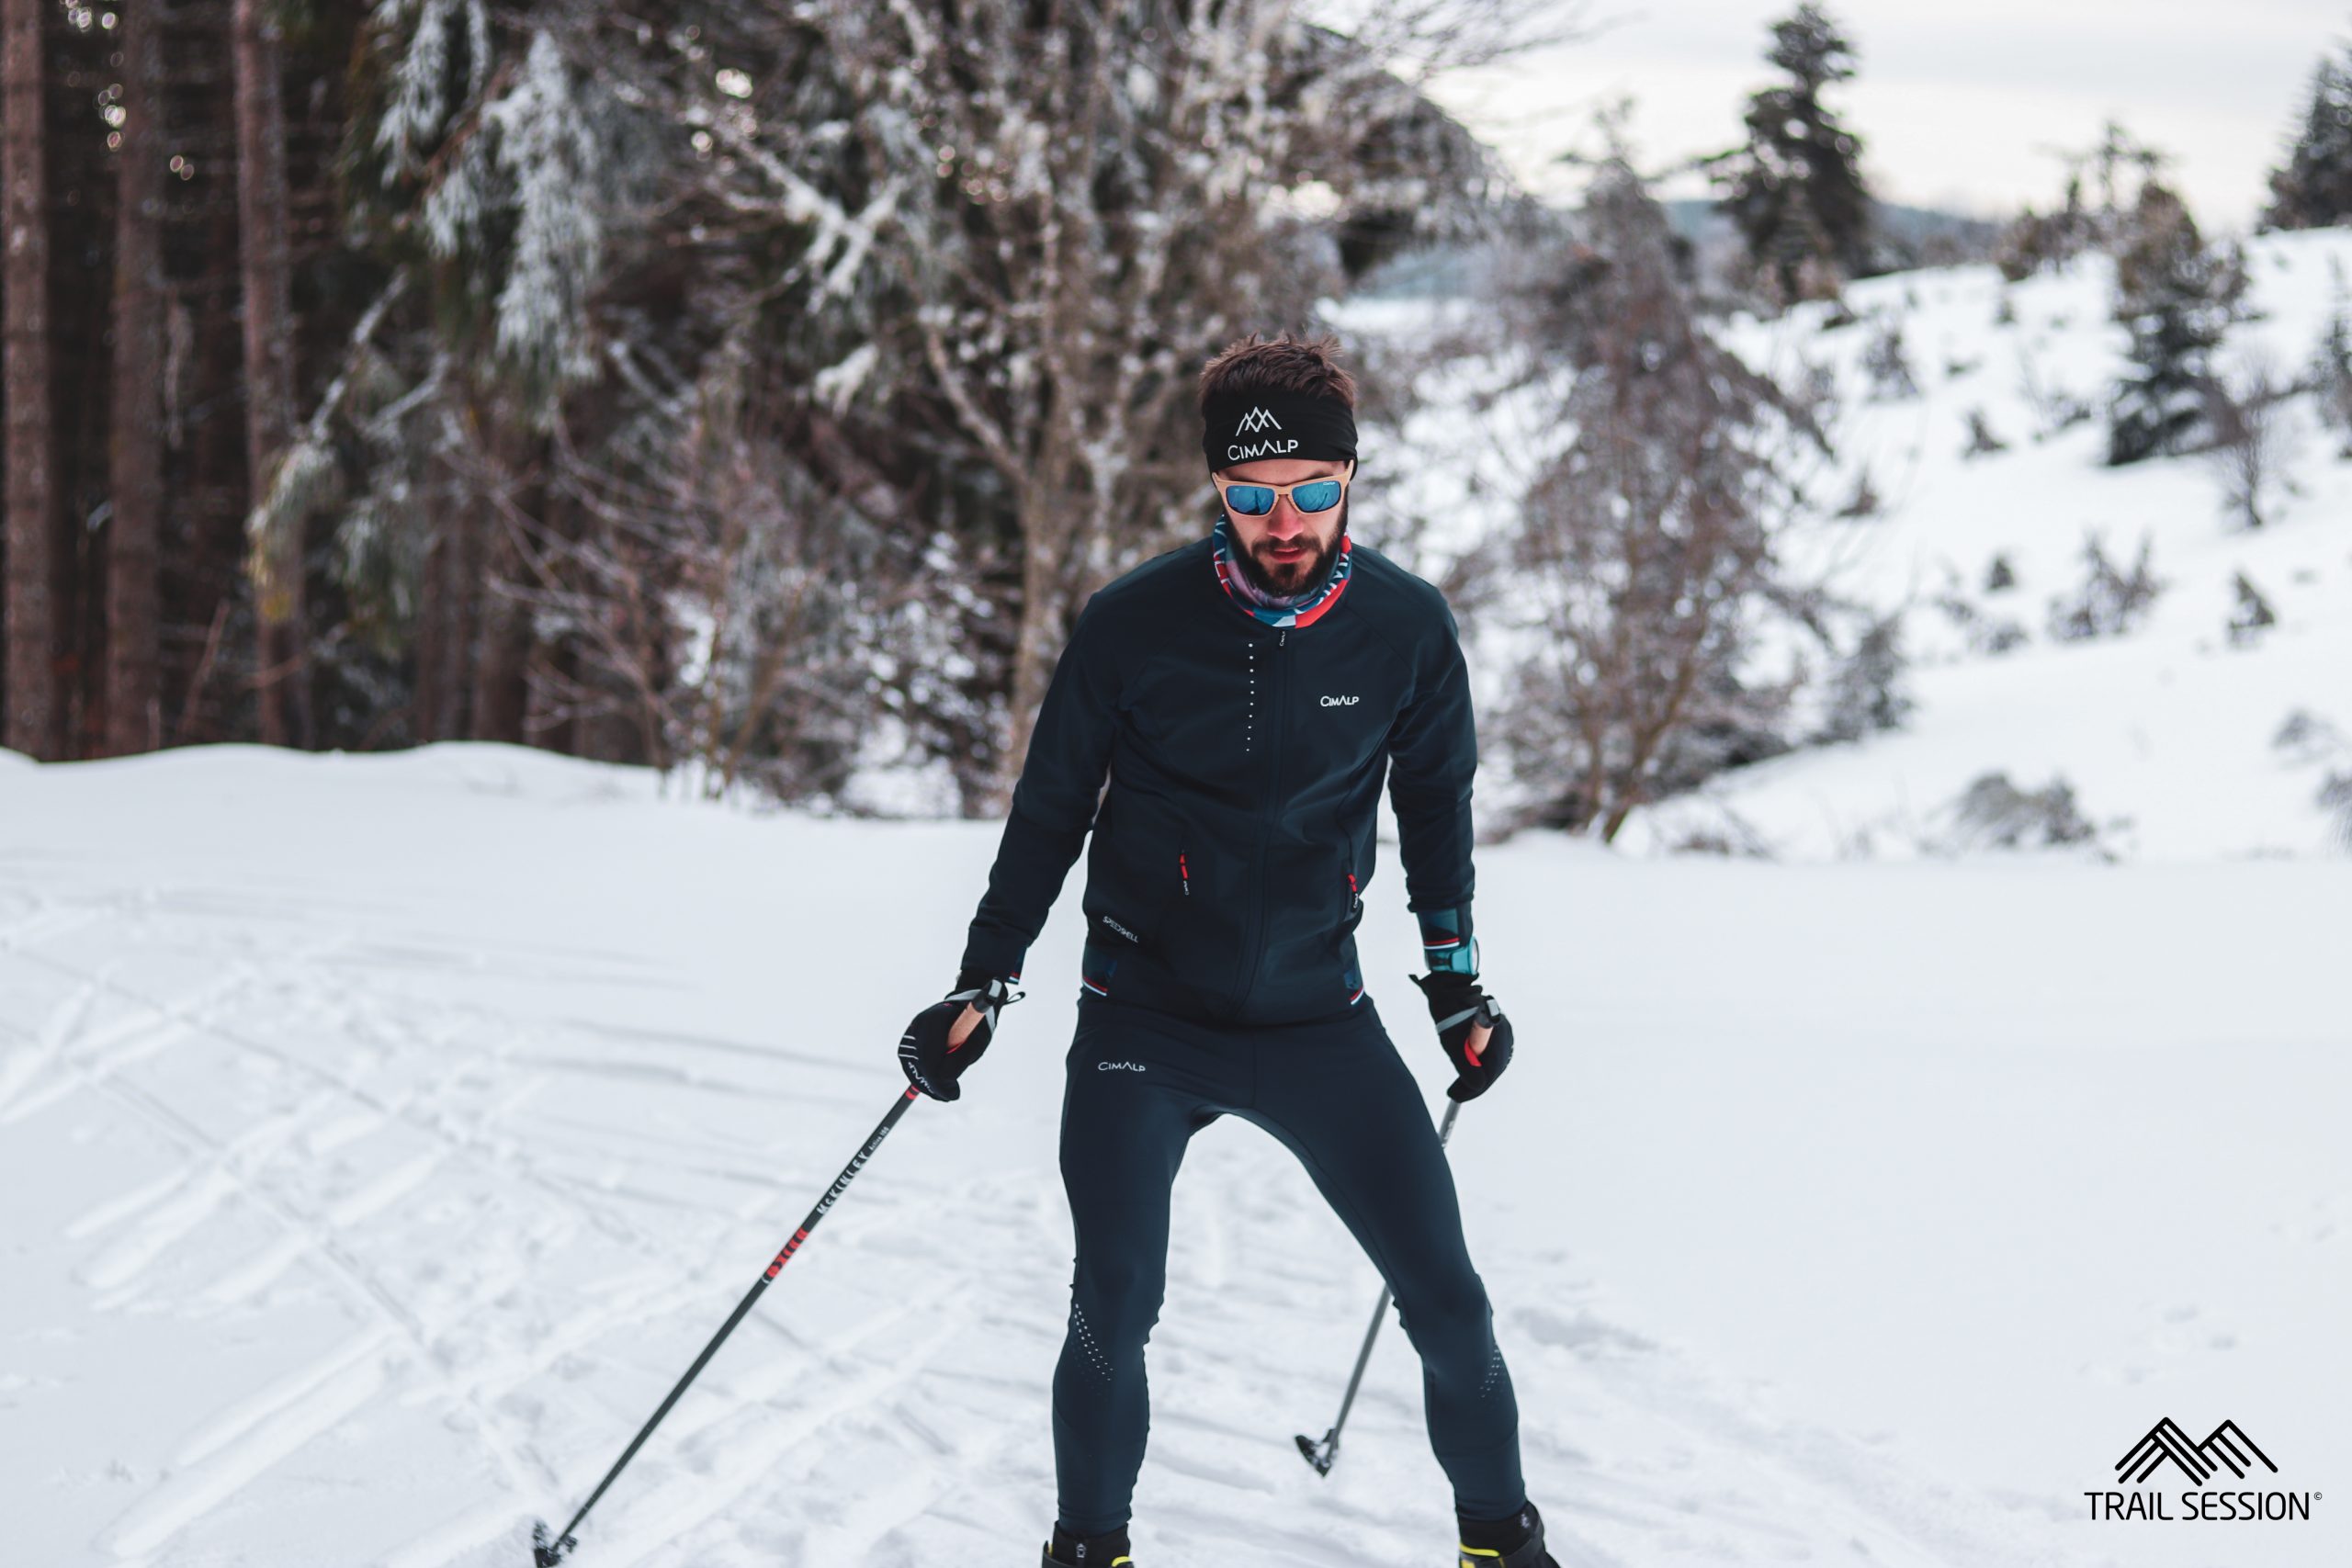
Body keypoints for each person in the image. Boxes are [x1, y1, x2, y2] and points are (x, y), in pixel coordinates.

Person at [897, 331, 1562, 1568]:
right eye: (1255, 498)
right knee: (1112, 1309)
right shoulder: (1132, 626)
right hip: (1144, 1020)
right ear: (1219, 494)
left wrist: (1457, 983)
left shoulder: (1407, 631)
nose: (1286, 520)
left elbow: (1437, 815)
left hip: (1322, 1022)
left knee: (1453, 1304)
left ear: (1350, 483)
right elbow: (1047, 813)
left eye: (1314, 490)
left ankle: (1502, 1549)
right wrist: (983, 976)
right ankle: (1090, 1552)